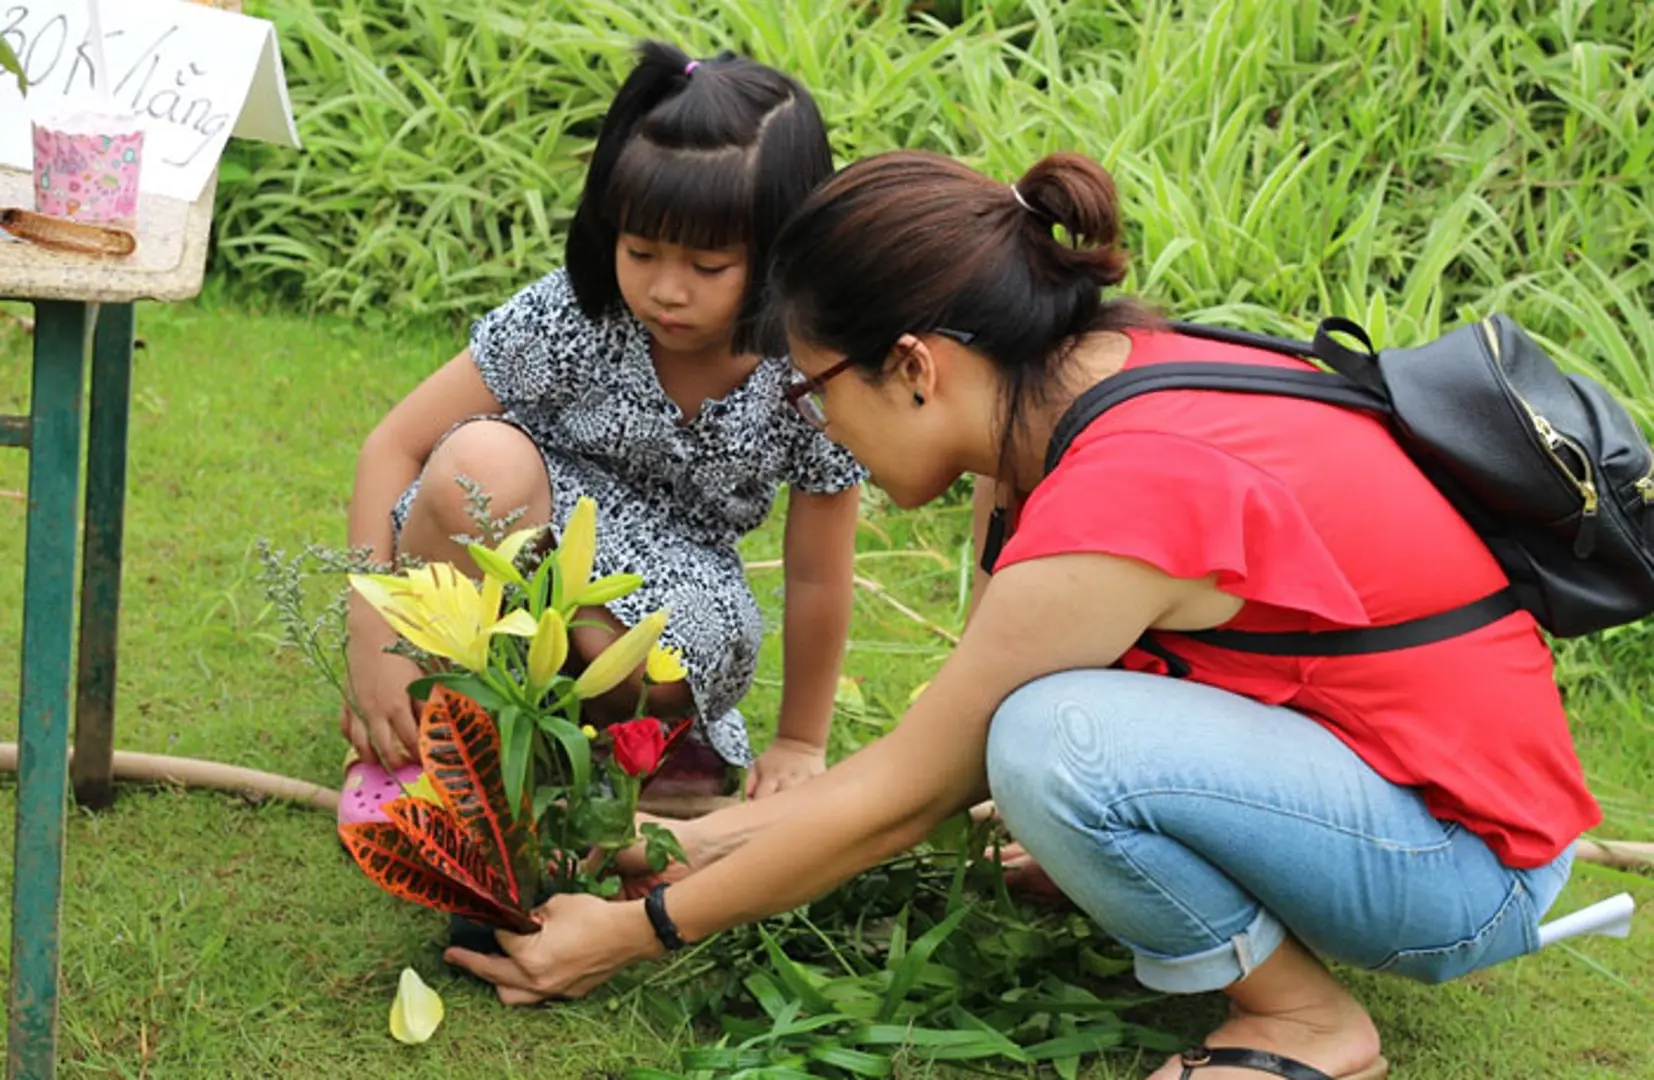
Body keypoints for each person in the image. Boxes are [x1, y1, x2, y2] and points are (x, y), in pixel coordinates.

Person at [442, 149, 1600, 1080]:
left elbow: (909, 793)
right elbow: (920, 762)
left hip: (1457, 868)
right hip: (1382, 790)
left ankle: (1306, 1025)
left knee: (1055, 743)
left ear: (912, 366)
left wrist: (642, 931)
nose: (816, 427)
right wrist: (691, 843)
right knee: (1036, 750)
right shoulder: (1091, 381)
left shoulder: (1119, 488)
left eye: (810, 386)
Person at [335, 41, 865, 828]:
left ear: (780, 252)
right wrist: (372, 639)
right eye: (640, 251)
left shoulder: (812, 374)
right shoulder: (574, 318)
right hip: (525, 535)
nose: (665, 289)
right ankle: (430, 715)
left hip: (673, 585)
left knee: (666, 638)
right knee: (475, 461)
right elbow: (394, 446)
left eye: (707, 265)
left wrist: (798, 741)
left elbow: (819, 575)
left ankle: (632, 741)